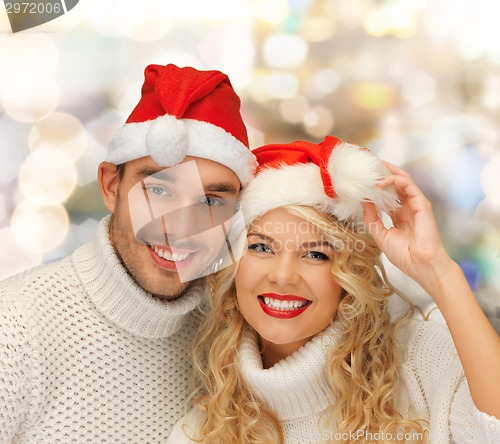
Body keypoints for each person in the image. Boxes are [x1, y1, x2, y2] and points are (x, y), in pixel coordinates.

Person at [167, 136, 500, 443]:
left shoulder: (420, 361)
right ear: (233, 265)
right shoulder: (200, 433)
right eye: (261, 247)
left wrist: (439, 271)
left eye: (315, 253)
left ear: (348, 274)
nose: (283, 276)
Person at [0, 63, 257, 443]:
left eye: (209, 200)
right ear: (110, 186)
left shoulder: (231, 333)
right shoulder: (16, 328)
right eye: (159, 189)